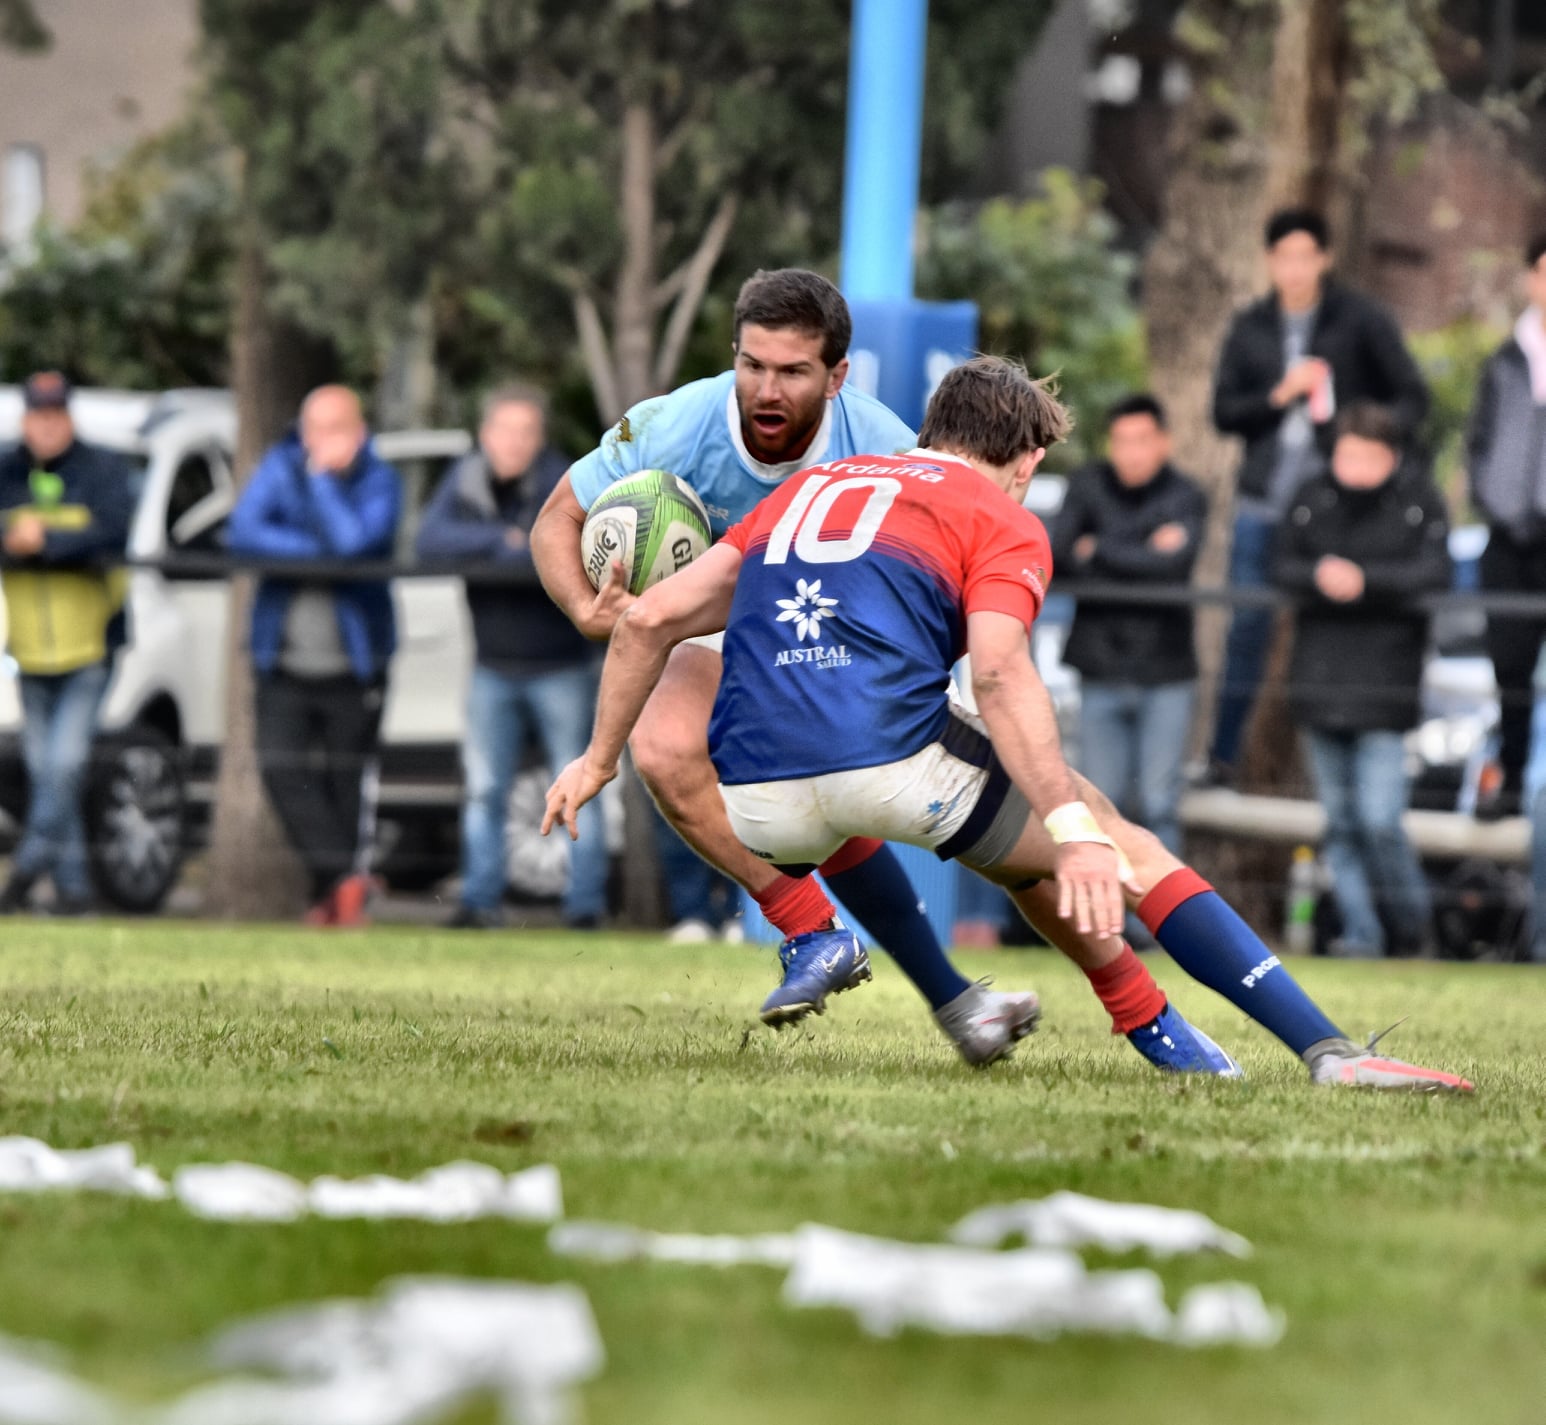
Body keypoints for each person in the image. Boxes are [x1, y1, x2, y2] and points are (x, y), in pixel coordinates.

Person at [546, 356, 1472, 1092]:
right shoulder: (998, 513)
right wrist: (1076, 830)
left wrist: (594, 761)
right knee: (1117, 840)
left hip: (756, 797)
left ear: (936, 426)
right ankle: (1327, 1050)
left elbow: (653, 619)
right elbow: (997, 671)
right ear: (1025, 462)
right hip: (887, 759)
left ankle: (1150, 1027)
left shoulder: (808, 484)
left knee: (1013, 828)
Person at [533, 267, 1016, 1059]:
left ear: (837, 376)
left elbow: (956, 560)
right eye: (752, 364)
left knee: (839, 803)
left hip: (833, 628)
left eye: (792, 371)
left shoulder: (884, 442)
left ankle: (970, 1001)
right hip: (707, 618)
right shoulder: (675, 423)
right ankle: (812, 930)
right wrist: (584, 607)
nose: (765, 387)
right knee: (664, 749)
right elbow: (559, 516)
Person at [1207, 207, 1429, 786]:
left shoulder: (1361, 319)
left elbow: (1413, 397)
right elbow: (1223, 412)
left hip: (1340, 508)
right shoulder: (1251, 324)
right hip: (1265, 499)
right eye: (1285, 257)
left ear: (1325, 259)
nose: (1296, 269)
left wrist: (1363, 434)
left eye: (1307, 256)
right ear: (1269, 262)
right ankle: (1222, 757)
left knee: (1345, 626)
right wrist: (1279, 394)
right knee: (1247, 630)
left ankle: (1331, 778)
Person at [416, 384, 607, 931]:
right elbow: (430, 542)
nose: (514, 442)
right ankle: (479, 903)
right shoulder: (466, 479)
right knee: (483, 791)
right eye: (504, 430)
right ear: (485, 434)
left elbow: (568, 554)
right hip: (491, 666)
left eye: (525, 431)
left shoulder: (564, 481)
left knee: (580, 786)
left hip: (561, 665)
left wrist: (516, 550)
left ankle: (585, 907)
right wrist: (504, 540)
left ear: (540, 437)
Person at [1274, 402, 1449, 958]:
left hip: (1387, 684)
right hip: (1318, 680)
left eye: (1367, 456)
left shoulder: (1418, 500)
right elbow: (1280, 564)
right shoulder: (1311, 498)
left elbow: (1434, 572)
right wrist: (1319, 576)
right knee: (1340, 824)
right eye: (1347, 454)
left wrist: (1364, 581)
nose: (1355, 467)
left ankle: (1415, 926)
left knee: (1379, 820)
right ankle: (1362, 933)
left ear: (1391, 457)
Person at [228, 385, 402, 927]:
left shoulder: (381, 480)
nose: (319, 442)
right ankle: (343, 879)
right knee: (281, 772)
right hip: (281, 660)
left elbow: (356, 544)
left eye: (334, 429)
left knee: (346, 785)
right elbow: (243, 531)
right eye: (313, 429)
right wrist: (318, 554)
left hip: (356, 663)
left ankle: (333, 904)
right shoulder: (280, 467)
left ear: (360, 431)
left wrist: (322, 486)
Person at [0, 372, 134, 914]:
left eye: (57, 415)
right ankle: (75, 890)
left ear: (69, 418)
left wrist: (45, 541)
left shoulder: (101, 468)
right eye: (39, 415)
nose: (47, 425)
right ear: (27, 418)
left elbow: (113, 532)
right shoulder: (8, 469)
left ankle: (25, 870)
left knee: (64, 764)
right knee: (46, 769)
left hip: (89, 645)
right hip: (28, 650)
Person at [1050, 394, 1205, 856]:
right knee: (1100, 802)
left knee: (1160, 805)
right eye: (1121, 441)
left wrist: (1097, 548)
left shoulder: (1187, 493)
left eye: (1141, 440)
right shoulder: (1087, 483)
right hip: (1100, 665)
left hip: (1167, 669)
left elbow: (1174, 566)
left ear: (1164, 443)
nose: (1131, 452)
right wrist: (1145, 548)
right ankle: (1107, 924)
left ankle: (1163, 923)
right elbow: (1058, 553)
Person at [1466, 233, 1546, 820]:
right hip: (1508, 539)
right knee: (1510, 671)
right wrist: (1500, 504)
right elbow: (1480, 446)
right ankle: (1512, 779)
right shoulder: (1502, 360)